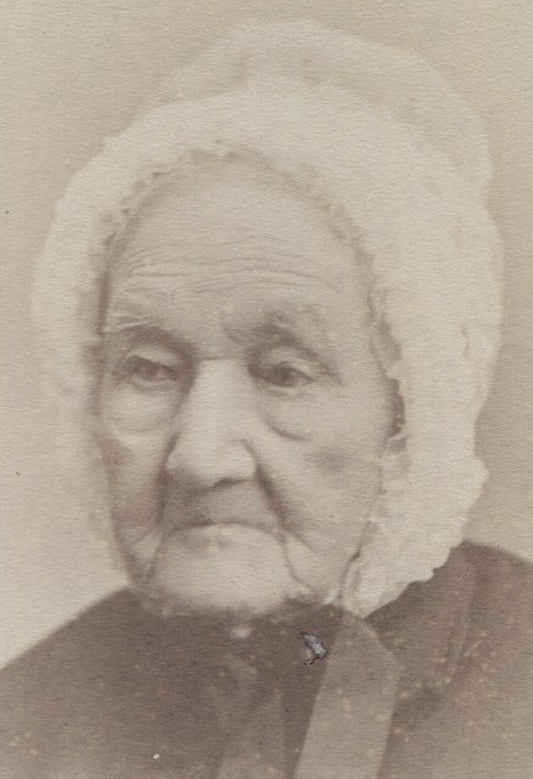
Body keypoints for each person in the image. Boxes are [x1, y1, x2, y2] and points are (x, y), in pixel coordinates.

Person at [1, 19, 532, 779]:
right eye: (149, 368)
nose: (199, 455)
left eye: (285, 372)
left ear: (413, 415)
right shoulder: (23, 719)